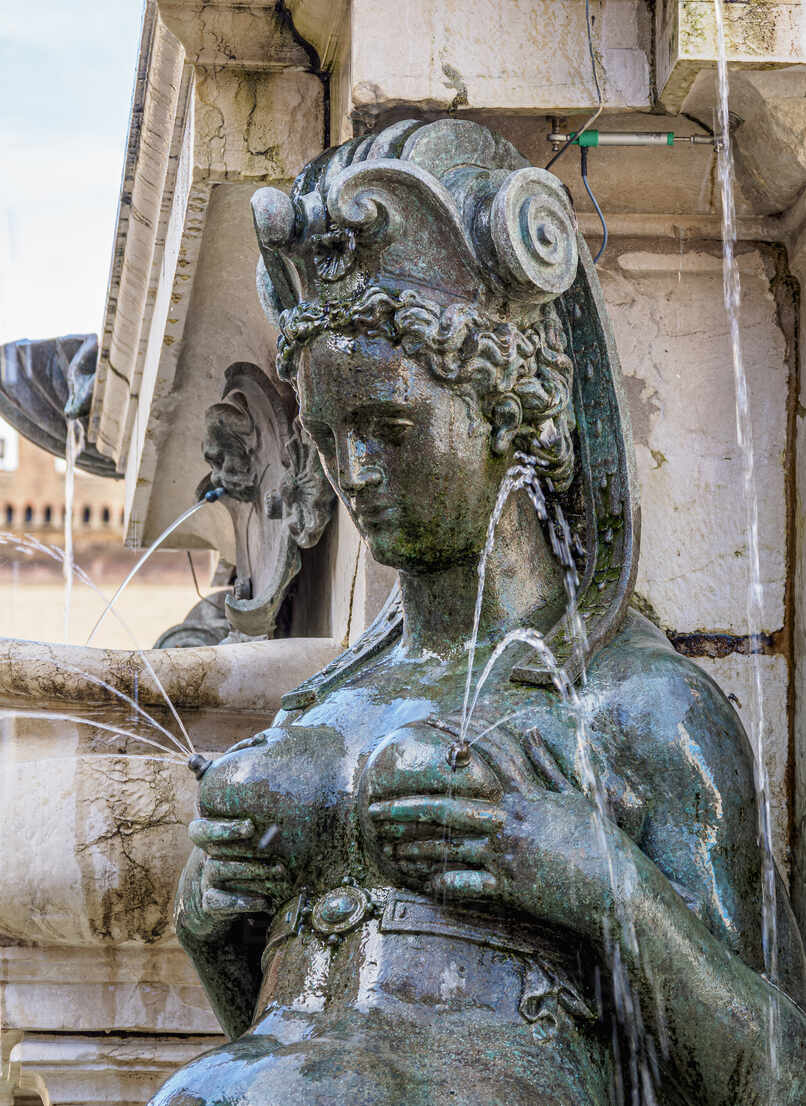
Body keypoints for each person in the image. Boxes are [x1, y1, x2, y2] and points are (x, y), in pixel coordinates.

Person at [150, 120, 806, 1105]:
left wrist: (597, 878)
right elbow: (286, 1032)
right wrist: (211, 931)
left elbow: (776, 1078)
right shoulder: (318, 710)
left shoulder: (639, 709)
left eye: (390, 425)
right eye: (328, 433)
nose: (355, 471)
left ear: (512, 410)